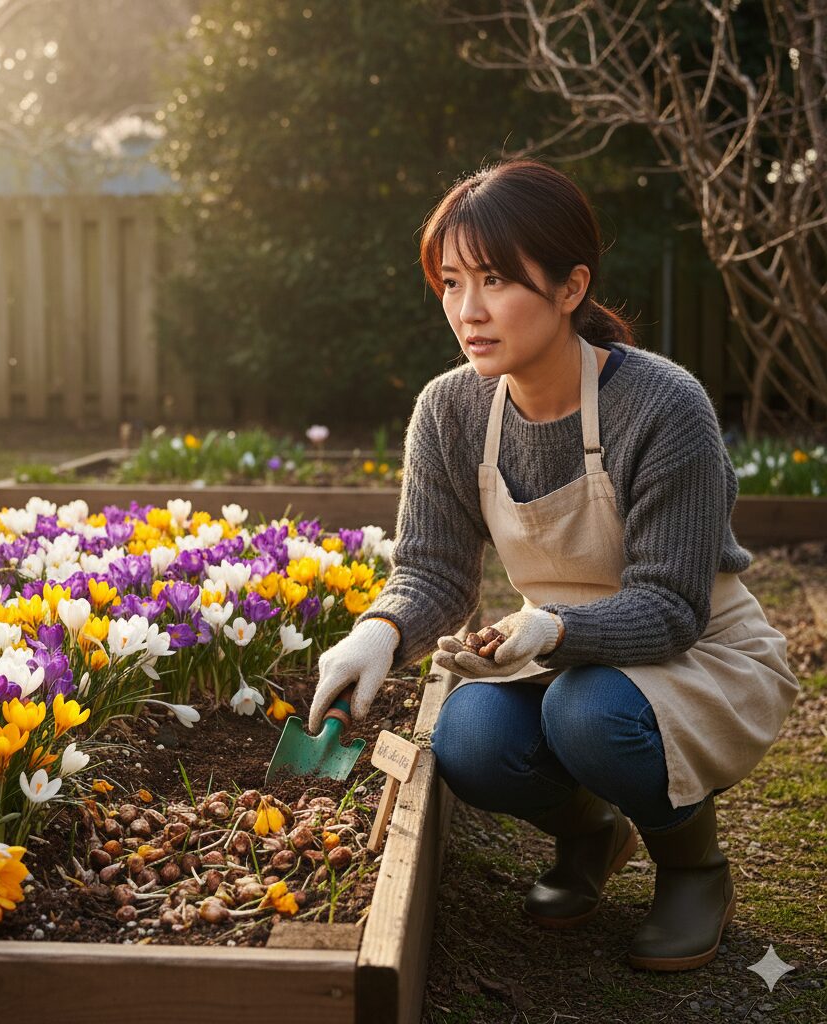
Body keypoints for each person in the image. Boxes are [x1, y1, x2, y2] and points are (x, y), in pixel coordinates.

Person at [308, 160, 799, 972]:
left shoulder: (664, 406)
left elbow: (674, 606)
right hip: (555, 651)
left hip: (695, 651)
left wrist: (552, 625)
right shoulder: (451, 408)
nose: (468, 310)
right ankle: (589, 836)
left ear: (571, 288)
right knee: (467, 738)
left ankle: (692, 869)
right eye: (452, 281)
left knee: (587, 712)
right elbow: (432, 569)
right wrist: (379, 631)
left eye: (496, 279)